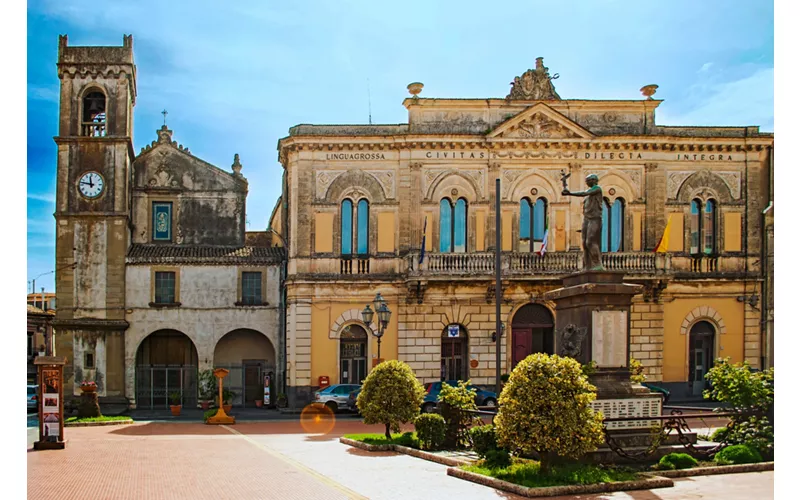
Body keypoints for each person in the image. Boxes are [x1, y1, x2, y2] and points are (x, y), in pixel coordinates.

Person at [562, 174, 604, 271]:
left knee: (590, 242)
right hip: (587, 219)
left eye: (587, 180)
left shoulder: (597, 189)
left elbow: (584, 193)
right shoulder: (588, 197)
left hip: (595, 219)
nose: (586, 182)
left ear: (593, 180)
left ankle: (598, 264)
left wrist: (569, 193)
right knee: (584, 244)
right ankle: (587, 266)